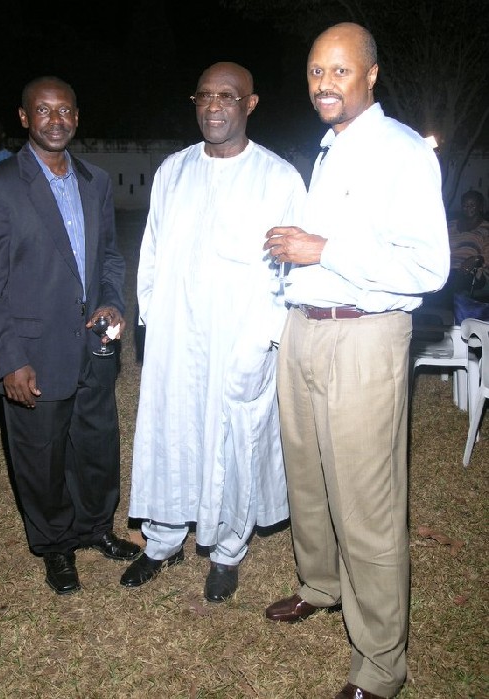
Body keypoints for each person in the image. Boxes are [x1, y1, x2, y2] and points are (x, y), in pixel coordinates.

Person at [262, 24, 449, 699]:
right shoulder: (328, 149)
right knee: (307, 476)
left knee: (366, 504)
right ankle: (320, 583)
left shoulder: (401, 153)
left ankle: (380, 663)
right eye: (315, 72)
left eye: (339, 72)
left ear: (371, 74)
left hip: (365, 339)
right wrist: (298, 262)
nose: (323, 85)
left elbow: (429, 264)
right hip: (305, 328)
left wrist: (323, 248)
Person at [122, 62, 308, 602]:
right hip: (176, 334)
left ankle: (227, 550)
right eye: (204, 96)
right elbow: (151, 249)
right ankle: (162, 538)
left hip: (240, 336)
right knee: (170, 430)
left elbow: (288, 271)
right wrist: (154, 316)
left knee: (232, 437)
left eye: (227, 96)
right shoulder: (172, 171)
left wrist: (265, 337)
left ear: (250, 105)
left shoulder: (277, 178)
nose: (214, 106)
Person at [0, 76, 140, 595]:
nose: (55, 120)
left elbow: (108, 256)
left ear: (77, 118)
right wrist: (7, 358)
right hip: (33, 355)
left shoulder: (96, 182)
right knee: (40, 457)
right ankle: (56, 544)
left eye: (65, 110)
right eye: (43, 111)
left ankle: (94, 528)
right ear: (24, 118)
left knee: (96, 444)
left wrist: (112, 299)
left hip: (93, 346)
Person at [423, 190, 489, 308]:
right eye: (465, 205)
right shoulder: (450, 225)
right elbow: (438, 246)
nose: (468, 208)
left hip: (471, 271)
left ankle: (447, 317)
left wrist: (476, 260)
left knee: (452, 281)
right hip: (445, 268)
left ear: (480, 206)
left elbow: (487, 257)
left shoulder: (486, 228)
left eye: (472, 205)